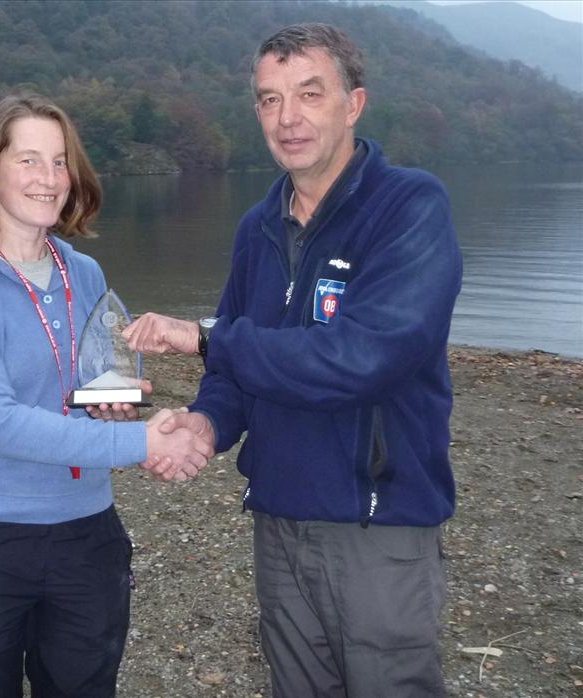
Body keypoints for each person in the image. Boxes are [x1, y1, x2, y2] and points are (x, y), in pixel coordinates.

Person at [124, 23, 462, 697]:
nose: (289, 118)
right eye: (270, 99)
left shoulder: (409, 207)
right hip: (279, 520)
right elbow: (234, 367)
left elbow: (366, 356)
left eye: (310, 94)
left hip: (378, 524)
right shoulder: (257, 227)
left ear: (353, 104)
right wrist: (206, 425)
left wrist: (204, 337)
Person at [0, 93, 212, 698]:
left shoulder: (88, 274)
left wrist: (114, 403)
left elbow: (92, 384)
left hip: (85, 532)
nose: (48, 179)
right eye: (28, 160)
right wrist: (140, 441)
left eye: (58, 162)